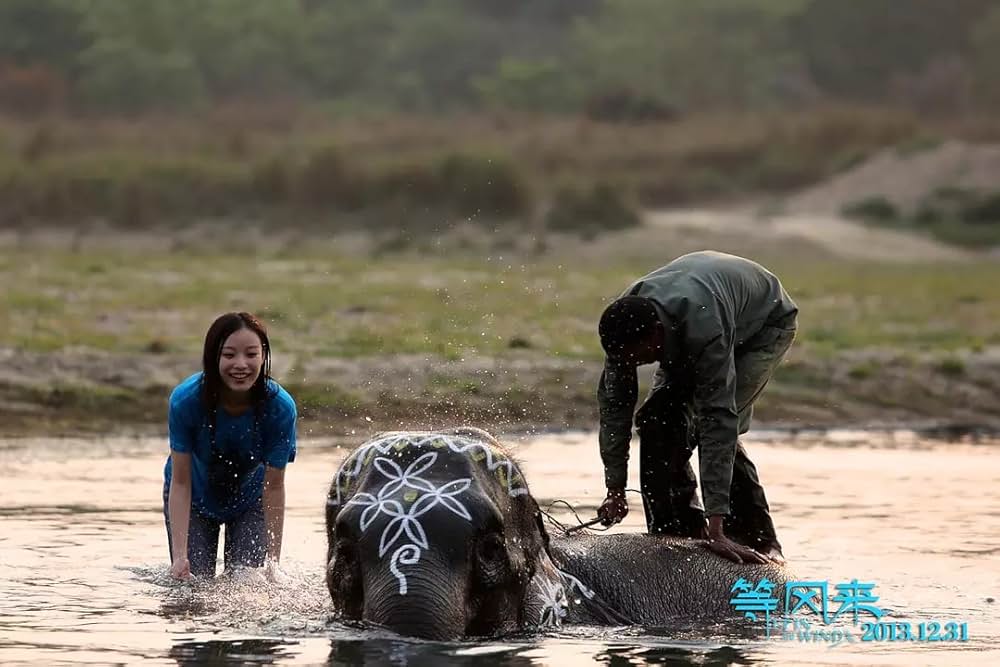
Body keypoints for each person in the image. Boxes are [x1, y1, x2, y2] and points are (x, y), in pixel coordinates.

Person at [594, 251, 797, 564]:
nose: (633, 366)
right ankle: (675, 532)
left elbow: (719, 420)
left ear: (657, 337)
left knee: (705, 426)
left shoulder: (704, 330)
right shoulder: (624, 328)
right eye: (627, 362)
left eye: (641, 359)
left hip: (763, 324)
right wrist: (615, 488)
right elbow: (614, 412)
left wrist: (717, 525)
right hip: (695, 311)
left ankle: (753, 536)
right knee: (655, 420)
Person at [163, 312, 297, 580]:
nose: (241, 364)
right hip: (195, 501)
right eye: (229, 355)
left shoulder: (280, 407)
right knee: (193, 585)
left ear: (263, 356)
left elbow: (274, 486)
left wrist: (274, 562)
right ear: (213, 357)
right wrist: (179, 557)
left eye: (251, 354)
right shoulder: (186, 400)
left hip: (250, 501)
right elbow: (180, 482)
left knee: (246, 583)